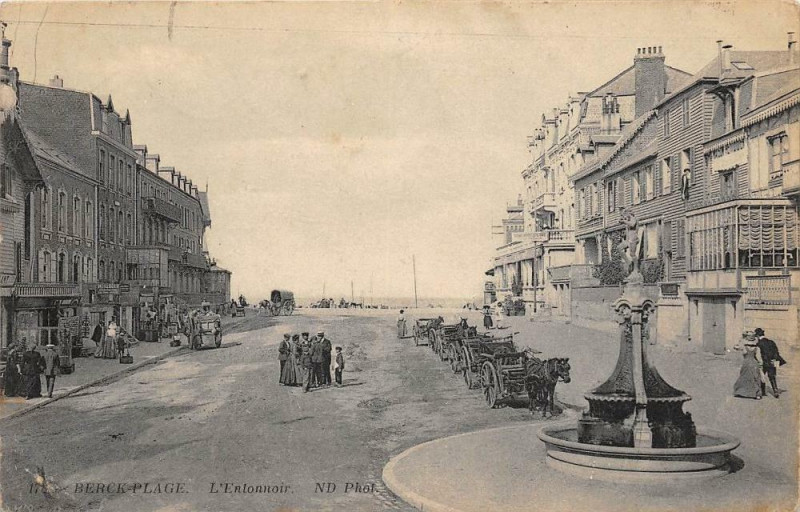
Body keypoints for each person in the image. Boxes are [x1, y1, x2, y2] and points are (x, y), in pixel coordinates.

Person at [755, 327, 787, 398]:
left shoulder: (759, 343)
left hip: (763, 363)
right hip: (772, 362)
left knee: (761, 376)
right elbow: (776, 352)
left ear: (757, 336)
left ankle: (762, 391)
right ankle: (775, 391)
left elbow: (758, 354)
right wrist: (774, 359)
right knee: (772, 377)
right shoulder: (771, 342)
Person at [734, 332, 763, 400]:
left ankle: (742, 392)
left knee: (744, 377)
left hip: (746, 363)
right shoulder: (757, 348)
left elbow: (736, 347)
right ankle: (757, 394)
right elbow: (759, 358)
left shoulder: (744, 347)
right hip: (754, 363)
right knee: (755, 378)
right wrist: (761, 365)